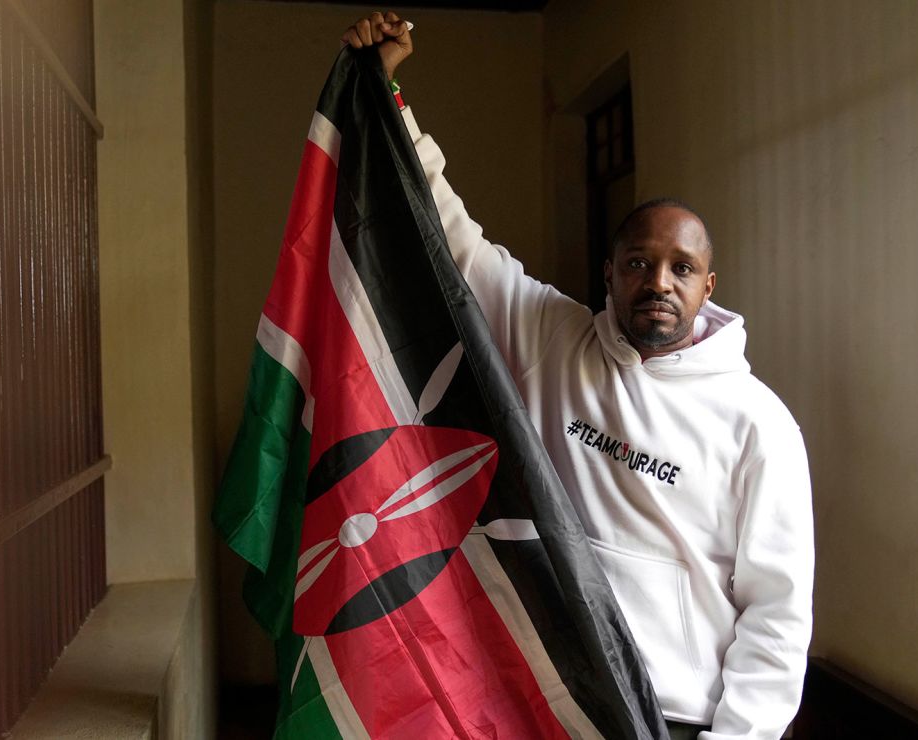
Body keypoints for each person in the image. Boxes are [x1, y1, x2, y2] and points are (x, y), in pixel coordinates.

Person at [343, 13, 814, 740]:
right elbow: (454, 236)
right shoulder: (553, 337)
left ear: (708, 284)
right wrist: (388, 92)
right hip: (550, 700)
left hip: (678, 720)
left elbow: (777, 613)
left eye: (680, 268)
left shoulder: (759, 422)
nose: (658, 281)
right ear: (609, 274)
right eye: (638, 263)